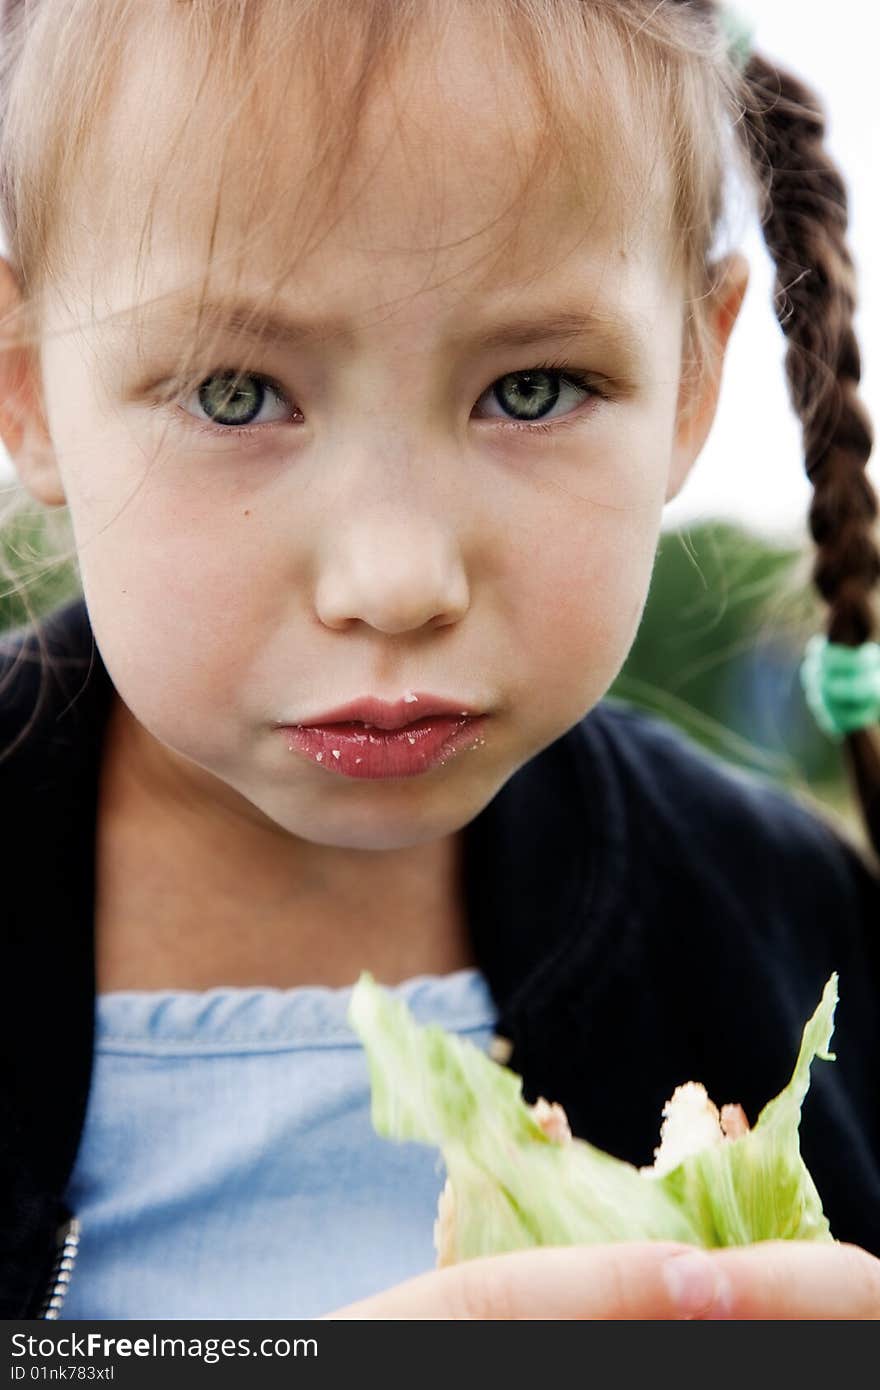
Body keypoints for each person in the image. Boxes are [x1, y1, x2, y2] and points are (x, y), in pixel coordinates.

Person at [0, 0, 878, 1322]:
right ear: (28, 391)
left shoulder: (783, 929)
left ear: (694, 376)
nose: (398, 581)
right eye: (239, 394)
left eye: (531, 389)